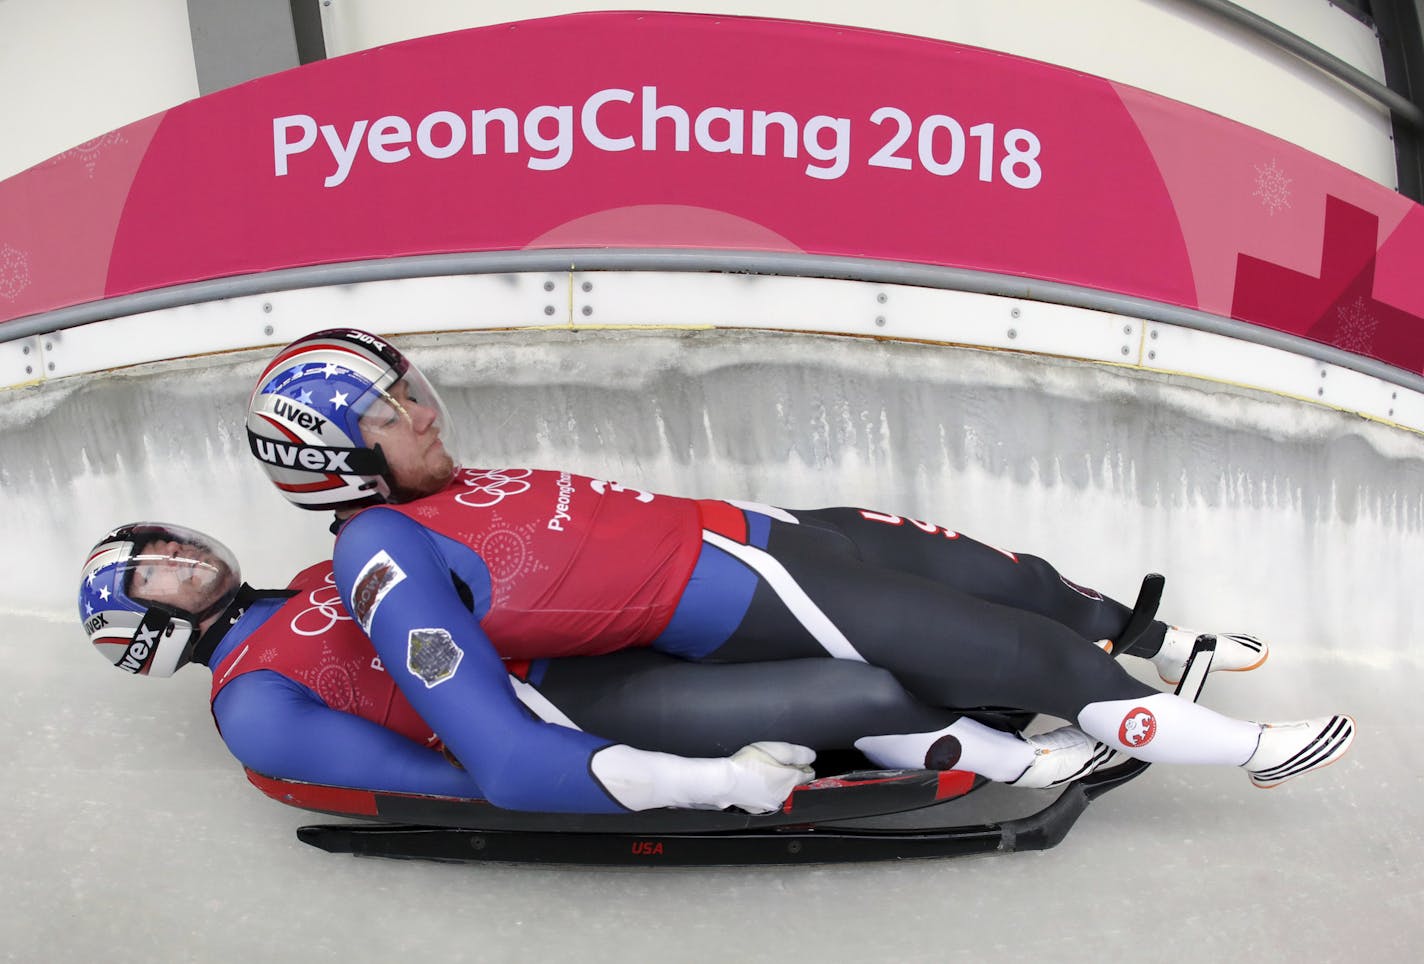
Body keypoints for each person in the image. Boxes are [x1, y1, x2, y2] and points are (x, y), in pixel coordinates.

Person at [242, 328, 1355, 810]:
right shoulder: (378, 549)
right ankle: (1243, 752)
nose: (424, 415)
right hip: (727, 596)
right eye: (391, 412)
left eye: (413, 391)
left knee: (988, 572)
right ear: (330, 458)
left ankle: (1153, 648)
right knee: (996, 644)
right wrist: (686, 777)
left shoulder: (436, 492)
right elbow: (496, 747)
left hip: (754, 529)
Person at [80, 523, 1111, 815]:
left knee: (831, 605)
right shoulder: (253, 704)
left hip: (580, 639)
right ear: (148, 636)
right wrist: (652, 780)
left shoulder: (312, 573)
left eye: (170, 547)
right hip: (569, 705)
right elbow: (459, 782)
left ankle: (1026, 670)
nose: (185, 561)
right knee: (857, 688)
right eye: (161, 578)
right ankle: (1003, 751)